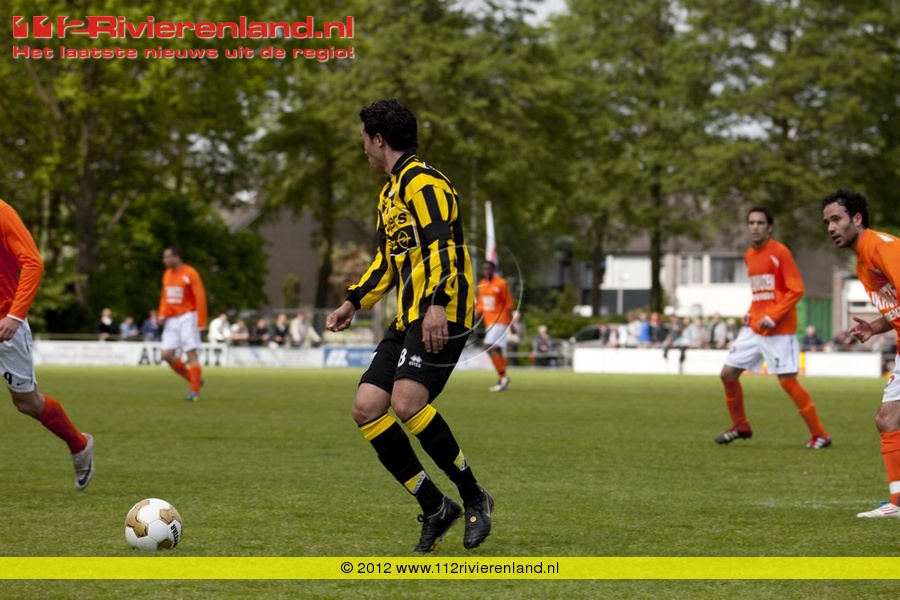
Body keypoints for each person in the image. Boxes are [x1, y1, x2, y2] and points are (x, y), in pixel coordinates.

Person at [325, 99, 493, 553]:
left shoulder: (425, 182)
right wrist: (353, 300)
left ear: (379, 139)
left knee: (406, 402)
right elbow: (387, 262)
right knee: (366, 408)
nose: (363, 148)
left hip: (443, 312)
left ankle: (474, 497)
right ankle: (436, 506)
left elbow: (444, 247)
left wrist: (436, 303)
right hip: (408, 317)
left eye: (364, 139)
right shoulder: (389, 194)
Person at [715, 206, 831, 449]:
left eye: (760, 223)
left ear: (770, 227)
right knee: (727, 374)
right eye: (751, 223)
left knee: (788, 381)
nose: (755, 227)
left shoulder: (780, 252)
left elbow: (796, 289)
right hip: (755, 327)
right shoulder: (749, 255)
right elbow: (761, 294)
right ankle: (740, 426)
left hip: (779, 330)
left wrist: (774, 316)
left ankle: (821, 434)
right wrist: (751, 312)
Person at [0, 199, 94, 489]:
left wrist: (15, 315)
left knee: (27, 403)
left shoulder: (3, 214)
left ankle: (79, 445)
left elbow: (33, 263)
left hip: (5, 324)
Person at [822, 189, 900, 517]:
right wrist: (875, 327)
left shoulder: (881, 247)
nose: (830, 228)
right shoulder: (863, 261)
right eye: (827, 222)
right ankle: (898, 502)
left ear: (856, 219)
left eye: (836, 219)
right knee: (887, 419)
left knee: (889, 418)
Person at [158, 245, 207, 402]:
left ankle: (194, 392)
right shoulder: (167, 274)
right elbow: (165, 296)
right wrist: (162, 313)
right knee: (166, 354)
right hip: (171, 319)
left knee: (191, 353)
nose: (165, 260)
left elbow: (200, 297)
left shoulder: (190, 273)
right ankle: (194, 380)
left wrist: (201, 321)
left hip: (188, 316)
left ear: (177, 257)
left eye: (167, 257)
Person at [475, 260, 515, 392]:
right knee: (497, 349)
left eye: (489, 269)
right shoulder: (481, 284)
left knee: (488, 346)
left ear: (493, 270)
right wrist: (471, 321)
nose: (486, 271)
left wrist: (512, 323)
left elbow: (508, 304)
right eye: (484, 269)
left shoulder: (501, 283)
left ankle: (503, 377)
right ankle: (504, 380)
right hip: (489, 322)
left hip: (500, 320)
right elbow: (480, 306)